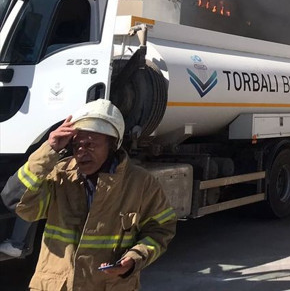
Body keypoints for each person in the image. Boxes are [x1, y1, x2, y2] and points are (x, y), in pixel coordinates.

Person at [1, 99, 177, 290]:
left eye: (91, 145)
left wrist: (134, 258)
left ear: (112, 145)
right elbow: (16, 201)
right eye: (77, 146)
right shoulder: (59, 176)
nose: (82, 153)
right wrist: (48, 150)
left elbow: (161, 230)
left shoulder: (140, 183)